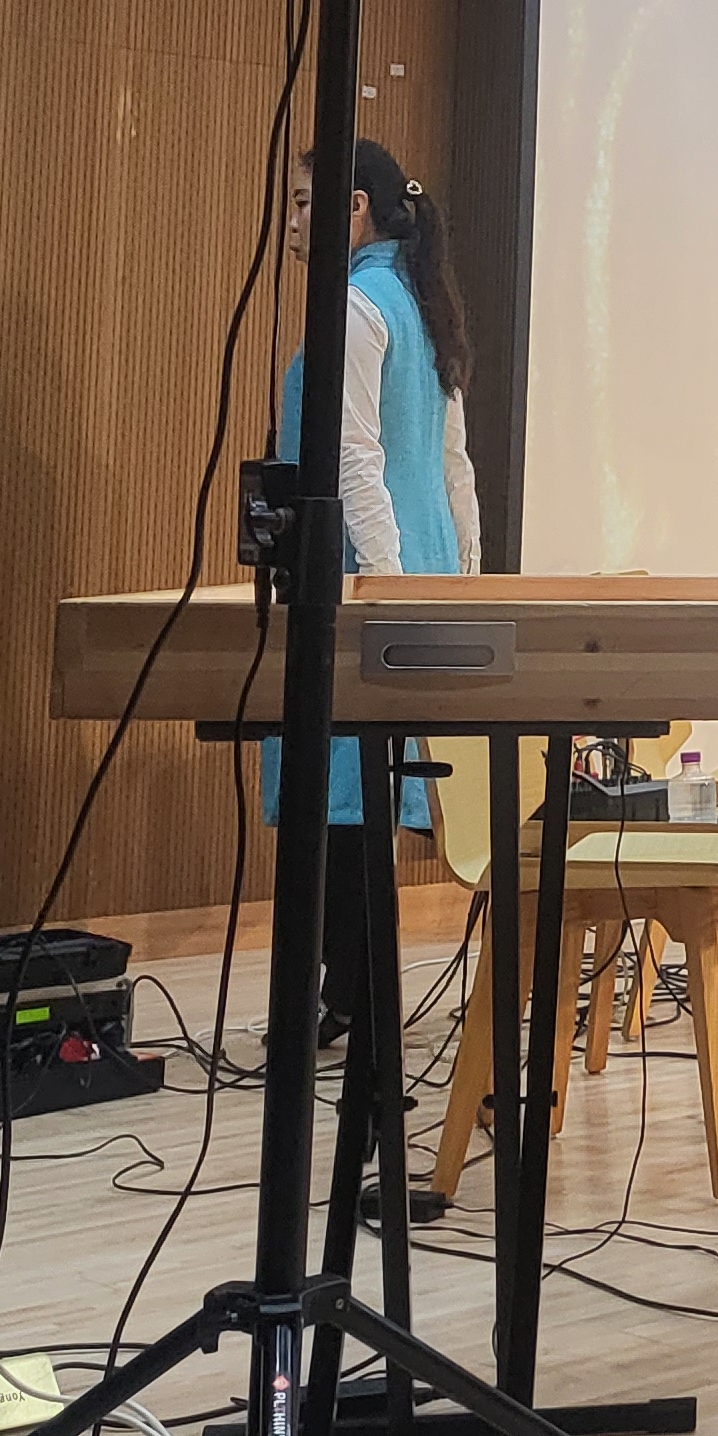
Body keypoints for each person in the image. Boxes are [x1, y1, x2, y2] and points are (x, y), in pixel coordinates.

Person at [269, 138, 482, 1039]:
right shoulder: (418, 303)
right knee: (358, 796)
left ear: (354, 207)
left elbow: (355, 457)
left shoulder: (360, 306)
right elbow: (454, 466)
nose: (291, 222)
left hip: (367, 573)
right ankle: (348, 990)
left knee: (346, 795)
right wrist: (463, 575)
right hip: (410, 565)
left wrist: (383, 586)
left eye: (303, 202)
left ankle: (349, 993)